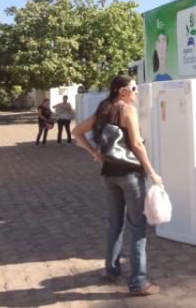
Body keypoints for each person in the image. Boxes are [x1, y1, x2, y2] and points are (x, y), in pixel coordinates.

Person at [72, 74, 163, 296]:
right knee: (137, 227)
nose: (136, 91)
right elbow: (136, 144)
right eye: (134, 87)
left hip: (110, 174)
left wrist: (95, 153)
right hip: (131, 175)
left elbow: (76, 132)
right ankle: (138, 283)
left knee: (114, 224)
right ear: (122, 91)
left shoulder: (103, 110)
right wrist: (152, 172)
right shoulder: (126, 110)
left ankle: (111, 271)